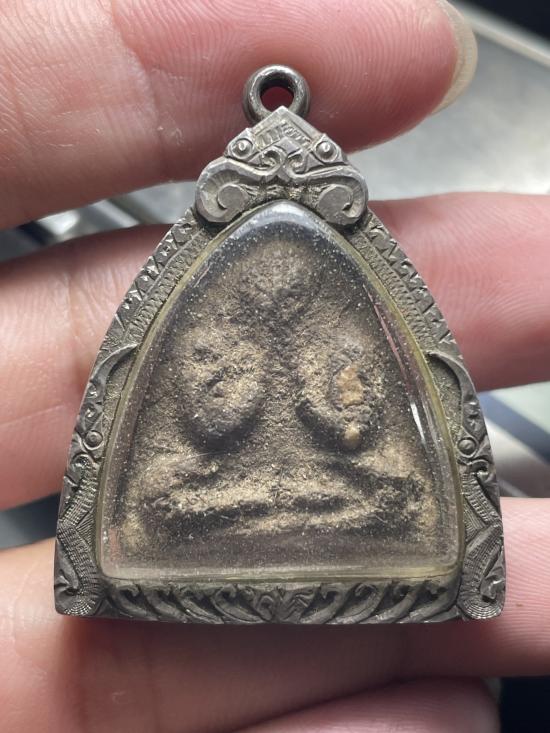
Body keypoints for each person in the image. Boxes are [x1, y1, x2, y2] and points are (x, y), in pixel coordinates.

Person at [1, 1, 548, 730]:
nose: (278, 297)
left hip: (332, 488)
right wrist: (243, 387)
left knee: (393, 490)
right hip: (220, 489)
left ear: (311, 291)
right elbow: (208, 432)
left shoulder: (339, 346)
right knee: (162, 495)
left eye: (293, 288)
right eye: (264, 288)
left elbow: (358, 438)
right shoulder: (213, 343)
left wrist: (325, 398)